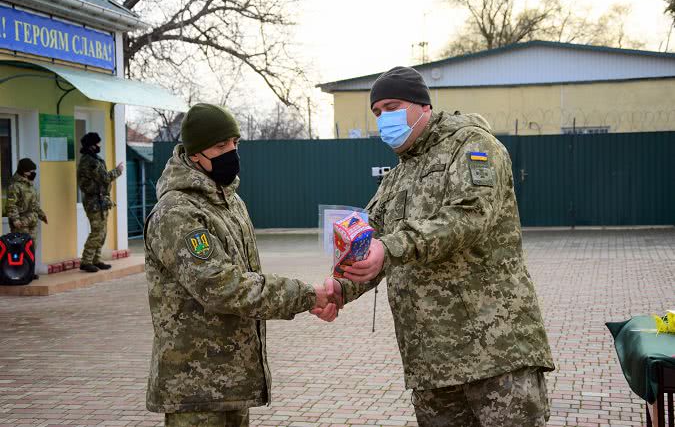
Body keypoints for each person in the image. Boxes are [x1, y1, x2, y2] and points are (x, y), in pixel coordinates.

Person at [318, 66, 555, 427]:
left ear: (422, 106)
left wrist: (392, 247)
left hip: (495, 352)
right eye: (377, 112)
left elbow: (469, 217)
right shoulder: (397, 176)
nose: (384, 118)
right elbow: (369, 245)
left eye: (392, 106)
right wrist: (341, 287)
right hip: (431, 363)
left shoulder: (472, 145)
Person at [144, 103, 339, 427]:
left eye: (235, 143)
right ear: (194, 154)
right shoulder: (177, 212)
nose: (231, 152)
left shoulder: (229, 201)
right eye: (220, 146)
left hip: (231, 378)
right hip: (195, 386)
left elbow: (249, 276)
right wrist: (306, 296)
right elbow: (222, 287)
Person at [77, 132, 123, 273]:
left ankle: (96, 260)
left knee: (102, 232)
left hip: (100, 201)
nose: (99, 146)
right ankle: (86, 261)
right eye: (97, 143)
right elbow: (105, 178)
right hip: (94, 202)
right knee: (97, 232)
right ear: (91, 145)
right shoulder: (91, 162)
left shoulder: (92, 159)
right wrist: (118, 170)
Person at [6, 158, 47, 278]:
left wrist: (41, 214)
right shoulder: (15, 186)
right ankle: (20, 271)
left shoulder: (30, 184)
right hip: (21, 223)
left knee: (31, 247)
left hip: (32, 221)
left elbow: (34, 204)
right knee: (20, 248)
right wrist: (15, 219)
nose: (33, 173)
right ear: (24, 171)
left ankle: (29, 272)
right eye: (31, 171)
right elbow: (11, 205)